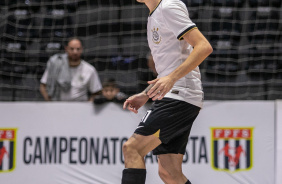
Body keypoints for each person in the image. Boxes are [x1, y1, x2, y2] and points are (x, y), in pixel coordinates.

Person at [121, 0, 213, 183]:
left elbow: (204, 47)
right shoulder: (155, 14)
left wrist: (171, 79)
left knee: (132, 148)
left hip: (180, 96)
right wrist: (146, 94)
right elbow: (168, 69)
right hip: (180, 95)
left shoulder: (168, 6)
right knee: (169, 172)